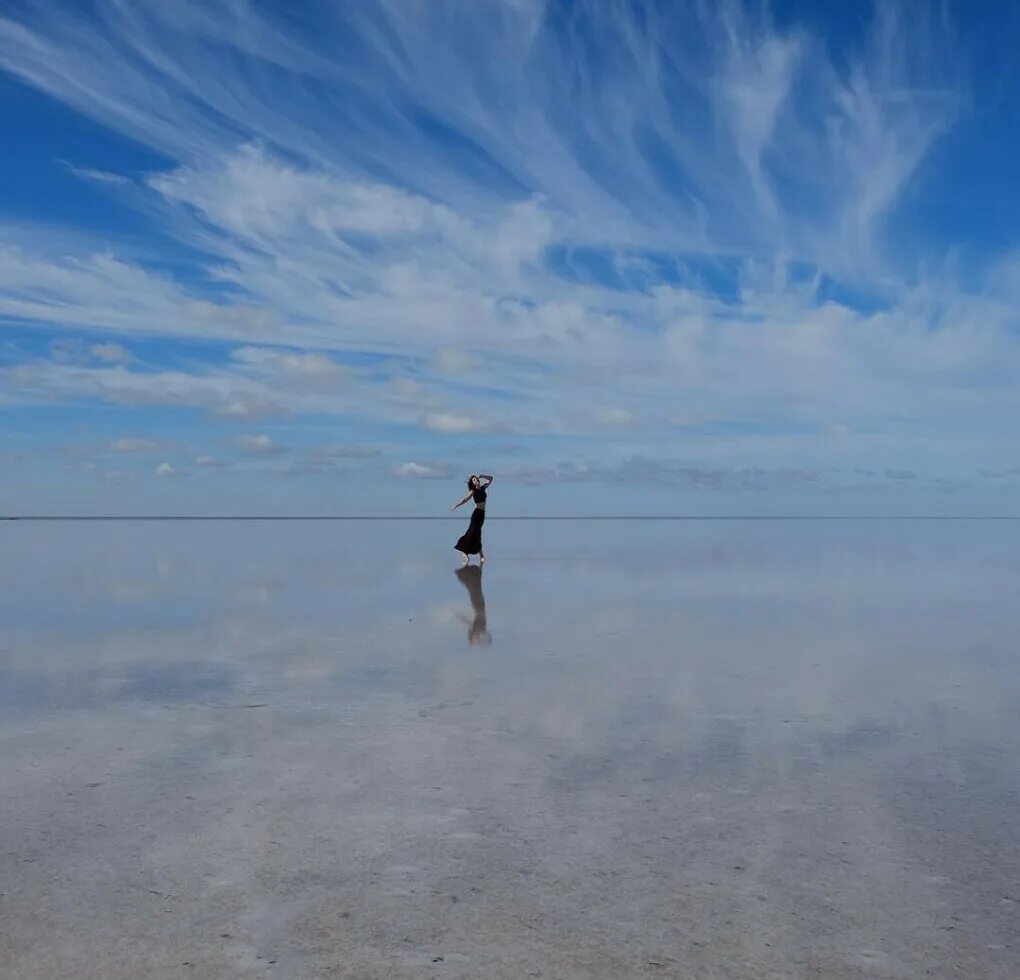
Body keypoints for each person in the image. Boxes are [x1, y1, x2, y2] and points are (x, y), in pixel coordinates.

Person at [452, 474, 493, 565]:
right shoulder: (473, 491)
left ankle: (480, 556)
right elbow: (465, 499)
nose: (476, 480)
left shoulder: (483, 488)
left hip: (482, 514)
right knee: (472, 532)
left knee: (477, 533)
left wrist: (481, 475)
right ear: (472, 483)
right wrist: (456, 505)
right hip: (476, 513)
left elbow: (491, 479)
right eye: (474, 480)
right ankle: (467, 553)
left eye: (476, 479)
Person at [455, 565, 491, 645]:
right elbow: (486, 635)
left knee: (473, 588)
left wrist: (460, 616)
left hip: (478, 605)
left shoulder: (477, 628)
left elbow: (467, 621)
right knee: (474, 588)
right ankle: (471, 572)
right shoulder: (480, 628)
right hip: (479, 605)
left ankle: (471, 571)